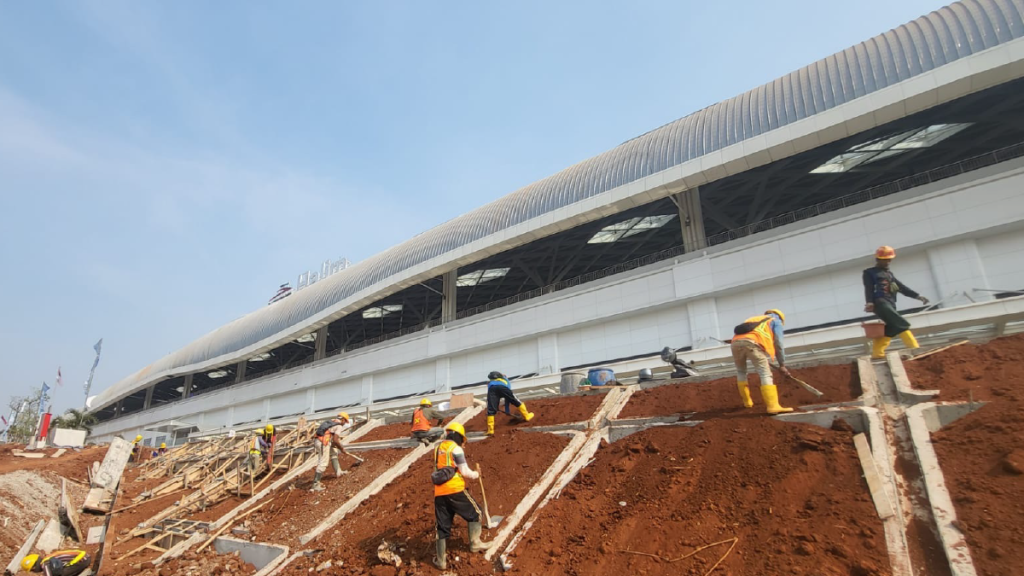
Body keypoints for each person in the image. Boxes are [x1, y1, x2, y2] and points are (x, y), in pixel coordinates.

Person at [432, 422, 489, 570]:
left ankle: (441, 561)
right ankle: (475, 543)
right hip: (454, 488)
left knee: (442, 526)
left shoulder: (438, 448)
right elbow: (464, 471)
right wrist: (476, 475)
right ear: (458, 436)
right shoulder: (455, 449)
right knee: (476, 512)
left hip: (439, 492)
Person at [864, 246, 930, 358]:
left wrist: (918, 296)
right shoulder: (869, 273)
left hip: (890, 303)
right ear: (878, 259)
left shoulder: (889, 274)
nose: (888, 262)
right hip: (880, 303)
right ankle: (914, 348)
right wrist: (869, 302)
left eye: (889, 259)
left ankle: (877, 353)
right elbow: (868, 287)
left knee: (893, 327)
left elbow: (901, 288)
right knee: (902, 323)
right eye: (886, 259)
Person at [731, 309, 793, 414]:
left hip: (735, 344)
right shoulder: (775, 321)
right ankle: (773, 406)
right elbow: (778, 344)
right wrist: (782, 364)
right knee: (764, 373)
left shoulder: (753, 319)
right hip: (753, 344)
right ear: (780, 318)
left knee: (741, 371)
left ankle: (747, 403)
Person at [311, 413, 354, 492]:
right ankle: (315, 484)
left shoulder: (331, 422)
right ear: (343, 419)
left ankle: (338, 472)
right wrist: (342, 449)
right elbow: (335, 440)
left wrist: (337, 446)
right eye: (345, 421)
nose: (344, 424)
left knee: (334, 452)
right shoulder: (339, 426)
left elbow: (332, 438)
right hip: (323, 443)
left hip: (320, 441)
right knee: (323, 462)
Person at [485, 371, 534, 436]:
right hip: (503, 388)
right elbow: (508, 389)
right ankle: (527, 416)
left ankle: (490, 430)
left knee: (491, 409)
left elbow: (490, 399)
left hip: (492, 389)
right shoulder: (504, 380)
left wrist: (493, 405)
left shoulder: (490, 383)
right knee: (516, 401)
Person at [21, 550, 91, 576]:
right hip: (85, 557)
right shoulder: (48, 558)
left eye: (32, 570)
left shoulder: (45, 564)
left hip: (83, 560)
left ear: (34, 567)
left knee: (59, 574)